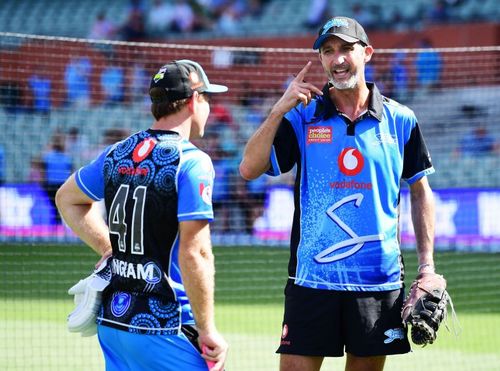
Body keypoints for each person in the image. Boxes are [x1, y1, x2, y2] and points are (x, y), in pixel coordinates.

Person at [239, 16, 437, 371]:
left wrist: (427, 267)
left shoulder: (400, 120)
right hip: (312, 280)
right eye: (328, 51)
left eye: (346, 48)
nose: (337, 58)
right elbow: (249, 169)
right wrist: (277, 110)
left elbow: (421, 192)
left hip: (378, 281)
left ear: (368, 53)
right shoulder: (304, 116)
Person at [55, 59, 229, 370]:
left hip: (114, 323)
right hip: (167, 327)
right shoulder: (192, 162)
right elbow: (196, 253)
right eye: (207, 98)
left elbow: (67, 199)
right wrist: (207, 329)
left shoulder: (116, 152)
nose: (209, 107)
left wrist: (110, 249)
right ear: (193, 100)